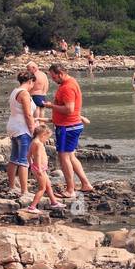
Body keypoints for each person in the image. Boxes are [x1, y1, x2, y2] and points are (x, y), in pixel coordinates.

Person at [49, 62, 92, 197]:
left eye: (54, 77)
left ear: (60, 74)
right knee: (71, 156)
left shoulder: (67, 87)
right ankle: (85, 184)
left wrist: (51, 106)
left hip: (67, 126)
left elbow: (69, 109)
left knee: (64, 157)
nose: (52, 80)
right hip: (72, 125)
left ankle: (70, 190)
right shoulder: (70, 82)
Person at [6, 70, 36, 199]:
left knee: (14, 158)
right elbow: (28, 114)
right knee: (24, 160)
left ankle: (12, 186)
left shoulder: (15, 91)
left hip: (13, 126)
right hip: (22, 128)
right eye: (33, 83)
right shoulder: (24, 94)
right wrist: (32, 130)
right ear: (30, 81)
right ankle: (24, 191)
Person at [26, 124, 65, 212]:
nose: (46, 140)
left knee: (48, 185)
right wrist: (39, 168)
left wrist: (31, 165)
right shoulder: (39, 144)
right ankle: (32, 207)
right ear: (43, 135)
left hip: (38, 168)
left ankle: (54, 202)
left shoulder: (33, 142)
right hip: (40, 169)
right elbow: (38, 156)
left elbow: (28, 155)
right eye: (46, 138)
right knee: (42, 188)